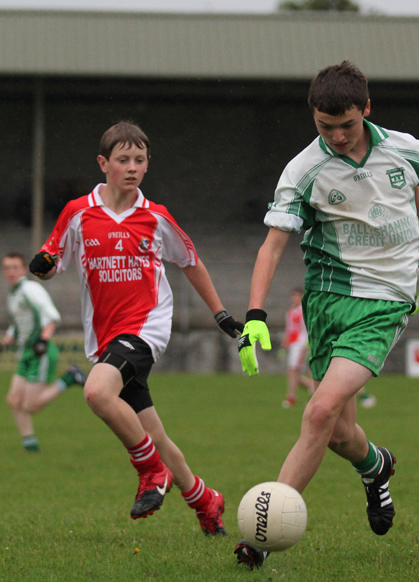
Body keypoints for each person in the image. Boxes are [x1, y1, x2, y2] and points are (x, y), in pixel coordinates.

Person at [235, 61, 419, 569]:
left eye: (347, 124)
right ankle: (376, 467)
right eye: (326, 127)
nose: (338, 135)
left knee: (319, 412)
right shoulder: (304, 170)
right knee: (342, 432)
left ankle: (260, 536)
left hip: (385, 300)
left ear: (366, 109)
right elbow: (273, 246)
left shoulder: (406, 149)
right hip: (327, 303)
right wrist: (256, 312)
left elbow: (414, 192)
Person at [28, 121, 243, 536]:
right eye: (123, 160)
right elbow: (53, 259)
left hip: (146, 327)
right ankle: (204, 500)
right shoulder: (78, 212)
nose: (132, 167)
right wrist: (44, 268)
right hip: (107, 337)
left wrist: (220, 315)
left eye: (139, 160)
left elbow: (191, 262)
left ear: (147, 165)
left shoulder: (155, 217)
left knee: (95, 391)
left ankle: (151, 473)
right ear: (103, 163)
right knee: (154, 433)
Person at [1, 252, 87, 452]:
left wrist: (43, 340)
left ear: (23, 270)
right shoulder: (14, 294)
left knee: (30, 406)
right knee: (13, 400)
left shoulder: (30, 288)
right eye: (7, 267)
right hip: (27, 352)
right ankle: (30, 445)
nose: (11, 272)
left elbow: (51, 315)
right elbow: (19, 324)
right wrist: (6, 341)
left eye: (15, 267)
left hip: (41, 352)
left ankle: (70, 377)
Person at [279, 287, 314, 408]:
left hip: (302, 343)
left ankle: (292, 397)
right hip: (294, 344)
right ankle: (313, 389)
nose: (294, 298)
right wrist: (284, 346)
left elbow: (308, 327)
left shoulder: (305, 310)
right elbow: (289, 330)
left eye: (297, 295)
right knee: (293, 372)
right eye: (293, 295)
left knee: (295, 371)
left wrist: (308, 344)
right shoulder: (290, 312)